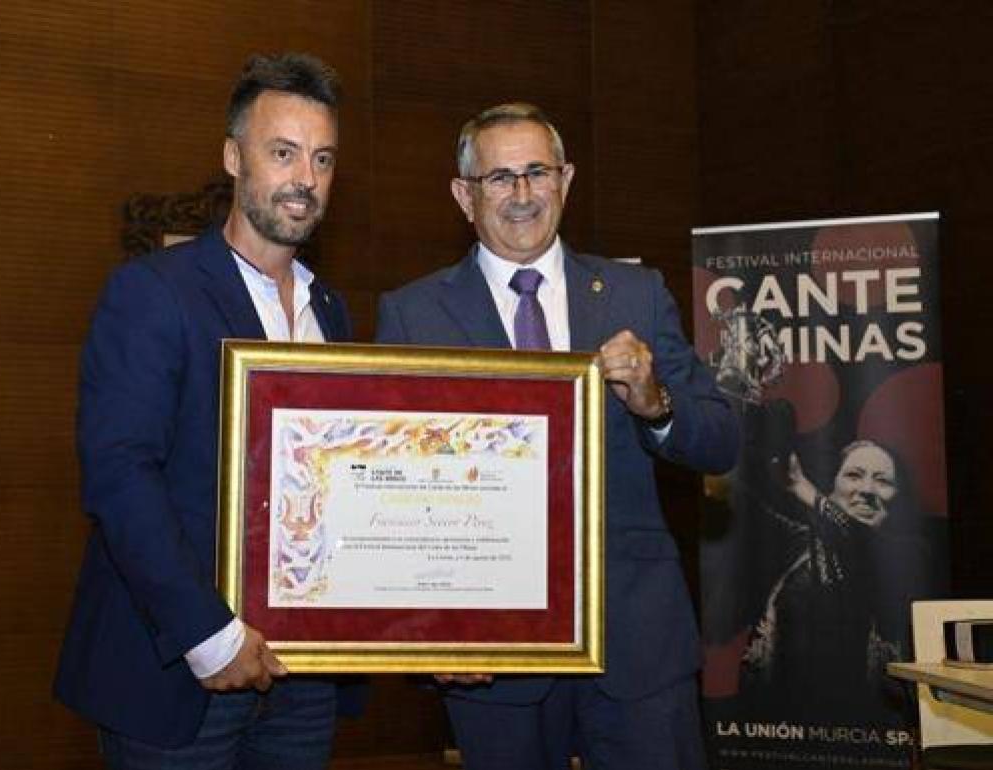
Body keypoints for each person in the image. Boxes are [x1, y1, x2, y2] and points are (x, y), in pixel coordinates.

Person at [375, 103, 739, 770]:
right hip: (490, 652)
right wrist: (432, 630)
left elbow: (720, 440)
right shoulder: (412, 314)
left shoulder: (635, 293)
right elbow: (392, 489)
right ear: (464, 196)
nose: (521, 195)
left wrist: (655, 403)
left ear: (565, 181)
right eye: (499, 178)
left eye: (536, 172)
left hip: (638, 643)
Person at [54, 53, 352, 770]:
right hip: (180, 672)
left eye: (322, 159)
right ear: (232, 157)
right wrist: (209, 635)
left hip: (303, 684)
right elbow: (120, 477)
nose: (304, 180)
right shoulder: (152, 293)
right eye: (282, 153)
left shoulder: (332, 313)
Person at [741, 438, 931, 717]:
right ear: (833, 485)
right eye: (854, 475)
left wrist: (802, 489)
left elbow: (862, 543)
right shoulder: (797, 543)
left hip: (876, 728)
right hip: (787, 725)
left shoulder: (911, 553)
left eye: (883, 481)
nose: (866, 489)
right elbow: (745, 502)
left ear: (900, 496)